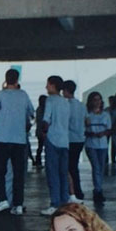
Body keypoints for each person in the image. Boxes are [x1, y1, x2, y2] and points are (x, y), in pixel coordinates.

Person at [0, 68, 34, 215]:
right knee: (18, 173)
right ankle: (18, 204)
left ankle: (2, 199)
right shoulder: (23, 95)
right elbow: (31, 112)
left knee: (0, 171)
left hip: (2, 137)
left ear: (6, 78)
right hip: (19, 139)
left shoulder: (1, 95)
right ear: (17, 79)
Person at [41, 75, 70, 215]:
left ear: (53, 85)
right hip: (65, 141)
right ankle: (65, 202)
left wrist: (44, 131)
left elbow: (46, 119)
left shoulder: (50, 100)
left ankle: (55, 203)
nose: (46, 87)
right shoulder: (66, 102)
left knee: (52, 173)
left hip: (52, 139)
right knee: (63, 173)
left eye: (48, 84)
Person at [84, 91, 112, 204]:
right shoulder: (87, 115)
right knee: (96, 167)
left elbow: (110, 129)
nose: (97, 102)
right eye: (95, 100)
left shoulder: (105, 115)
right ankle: (98, 190)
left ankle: (99, 188)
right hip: (91, 144)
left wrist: (104, 133)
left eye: (99, 99)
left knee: (100, 168)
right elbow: (84, 130)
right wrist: (91, 134)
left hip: (103, 144)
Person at [64, 80, 86, 204]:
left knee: (68, 168)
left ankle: (72, 191)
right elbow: (86, 121)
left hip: (69, 139)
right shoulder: (81, 105)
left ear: (66, 91)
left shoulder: (67, 106)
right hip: (80, 139)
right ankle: (78, 191)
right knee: (74, 167)